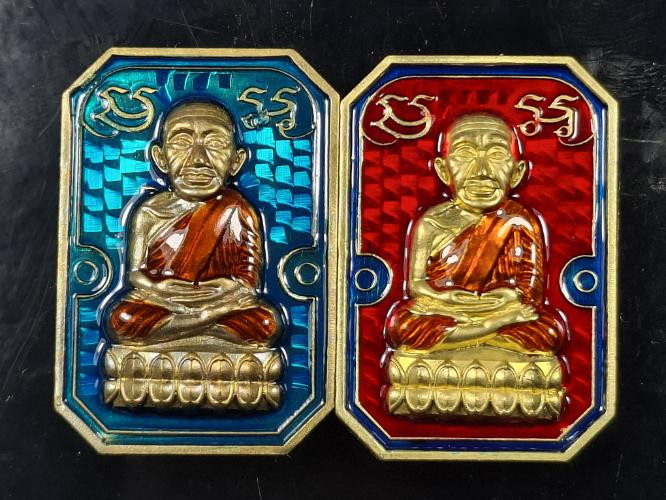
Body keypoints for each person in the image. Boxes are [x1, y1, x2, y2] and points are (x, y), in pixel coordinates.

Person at [385, 112, 565, 355]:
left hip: (502, 309)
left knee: (548, 331)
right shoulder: (432, 222)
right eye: (465, 154)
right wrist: (447, 300)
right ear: (443, 170)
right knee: (404, 325)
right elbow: (416, 285)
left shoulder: (519, 219)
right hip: (448, 310)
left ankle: (471, 335)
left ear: (517, 172)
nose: (481, 171)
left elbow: (530, 290)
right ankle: (490, 331)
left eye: (497, 155)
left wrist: (508, 297)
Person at [106, 101, 282, 347]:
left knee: (266, 323)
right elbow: (135, 274)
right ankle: (206, 325)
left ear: (236, 160)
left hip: (221, 301)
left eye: (215, 143)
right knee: (122, 319)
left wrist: (226, 290)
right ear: (160, 157)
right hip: (165, 301)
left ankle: (185, 328)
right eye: (181, 142)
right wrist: (161, 290)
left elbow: (248, 283)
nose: (198, 159)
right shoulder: (149, 211)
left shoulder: (237, 208)